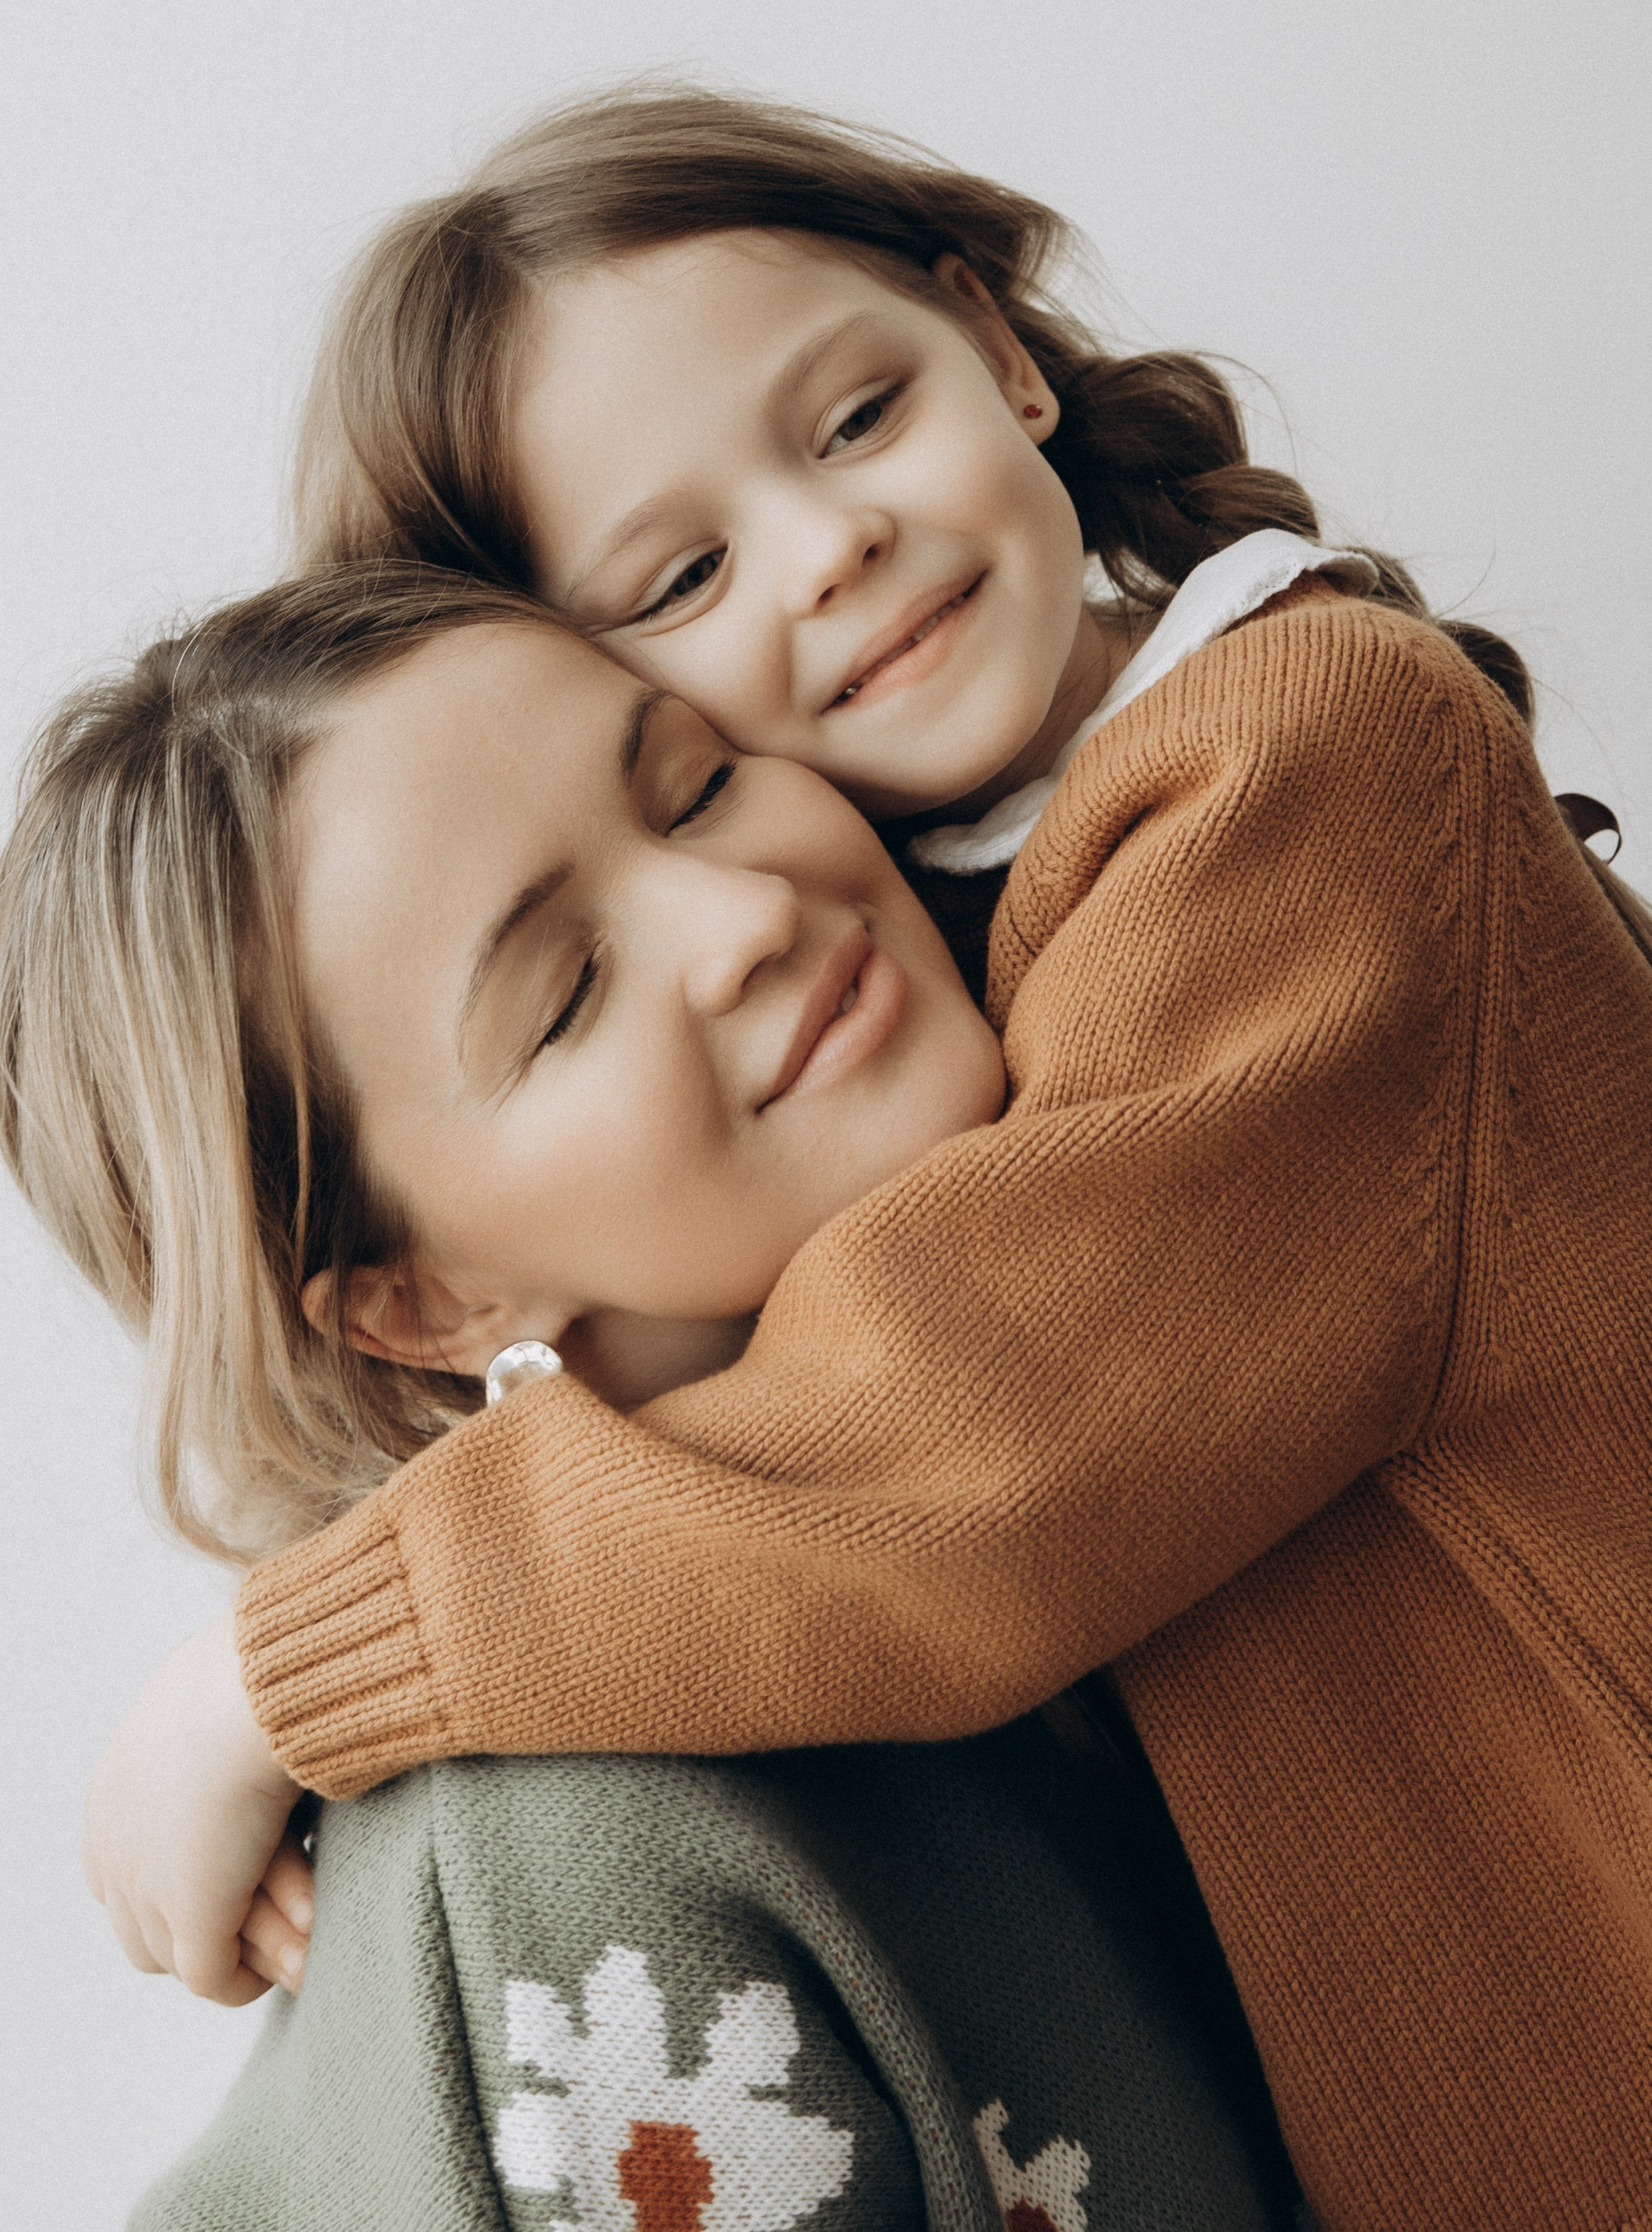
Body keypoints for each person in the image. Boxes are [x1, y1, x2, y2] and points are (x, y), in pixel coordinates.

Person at [31, 86, 1652, 2228]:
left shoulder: (1320, 763)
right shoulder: (584, 1782)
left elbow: (971, 1419)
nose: (832, 549)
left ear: (1001, 344)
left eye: (857, 415)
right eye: (688, 573)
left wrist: (274, 1670)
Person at [2, 568, 1295, 2231]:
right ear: (426, 1301)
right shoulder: (573, 1871)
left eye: (697, 781)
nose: (747, 913)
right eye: (563, 997)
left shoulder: (1157, 1377)